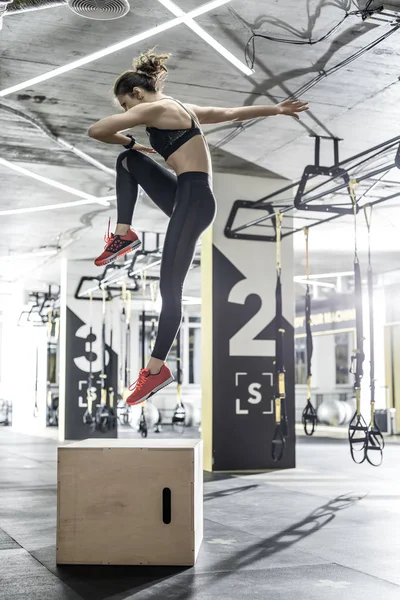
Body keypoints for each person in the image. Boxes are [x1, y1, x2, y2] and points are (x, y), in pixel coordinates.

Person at [88, 48, 309, 406]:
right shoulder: (183, 108)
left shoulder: (154, 108)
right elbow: (231, 113)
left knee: (169, 286)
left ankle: (156, 369)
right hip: (188, 194)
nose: (129, 113)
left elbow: (97, 129)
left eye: (126, 105)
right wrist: (276, 108)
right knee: (128, 161)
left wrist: (129, 134)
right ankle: (124, 234)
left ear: (137, 94)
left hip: (193, 200)